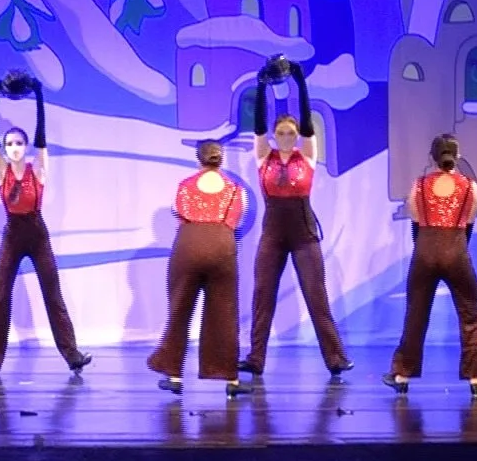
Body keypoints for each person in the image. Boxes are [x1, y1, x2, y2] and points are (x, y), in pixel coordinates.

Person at [242, 59, 352, 382]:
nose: (287, 137)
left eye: (291, 133)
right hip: (273, 235)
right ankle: (255, 359)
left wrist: (300, 83)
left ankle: (336, 359)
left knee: (316, 295)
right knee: (263, 295)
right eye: (281, 133)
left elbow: (306, 121)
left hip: (304, 234)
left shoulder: (307, 156)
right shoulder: (264, 156)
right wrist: (261, 85)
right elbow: (258, 126)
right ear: (275, 135)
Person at [0, 73, 91, 379]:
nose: (14, 148)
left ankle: (73, 356)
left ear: (26, 146)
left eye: (19, 143)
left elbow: (42, 136)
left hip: (37, 234)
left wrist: (39, 95)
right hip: (12, 234)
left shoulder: (37, 169)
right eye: (9, 144)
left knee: (53, 295)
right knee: (0, 296)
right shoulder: (1, 171)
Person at [385, 134, 477, 395]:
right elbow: (468, 225)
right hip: (456, 250)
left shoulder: (419, 185)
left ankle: (402, 375)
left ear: (432, 158)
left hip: (424, 250)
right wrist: (455, 248)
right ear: (457, 156)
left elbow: (416, 223)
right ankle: (476, 378)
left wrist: (425, 249)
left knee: (416, 313)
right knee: (471, 312)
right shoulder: (470, 187)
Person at [146, 140, 253, 398]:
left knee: (180, 309)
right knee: (224, 313)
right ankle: (231, 379)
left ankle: (174, 375)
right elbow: (236, 221)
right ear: (221, 159)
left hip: (189, 245)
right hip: (222, 245)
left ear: (198, 159)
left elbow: (179, 214)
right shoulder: (235, 190)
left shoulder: (185, 187)